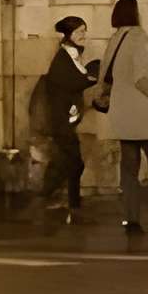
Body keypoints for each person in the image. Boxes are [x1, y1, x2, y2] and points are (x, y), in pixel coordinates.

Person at [98, 0, 148, 232]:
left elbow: (104, 77)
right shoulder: (138, 38)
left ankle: (132, 218)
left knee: (129, 169)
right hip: (143, 113)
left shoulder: (114, 40)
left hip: (123, 113)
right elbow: (140, 78)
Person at [36, 16, 98, 221]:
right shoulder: (64, 58)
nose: (83, 35)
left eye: (84, 31)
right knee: (74, 162)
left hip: (65, 120)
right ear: (69, 34)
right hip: (60, 121)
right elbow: (73, 82)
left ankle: (67, 200)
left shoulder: (71, 55)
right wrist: (92, 78)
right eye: (80, 32)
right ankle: (63, 199)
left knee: (68, 161)